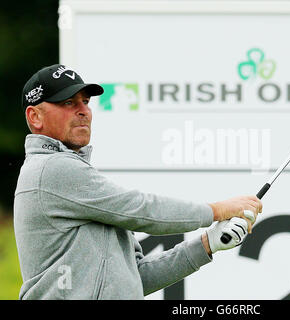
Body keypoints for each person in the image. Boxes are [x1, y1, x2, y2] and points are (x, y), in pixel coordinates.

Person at [14, 64, 262, 300]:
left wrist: (208, 244)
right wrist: (217, 211)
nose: (84, 111)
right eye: (68, 102)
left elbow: (136, 277)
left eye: (86, 102)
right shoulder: (53, 168)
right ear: (35, 116)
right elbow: (142, 209)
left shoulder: (74, 178)